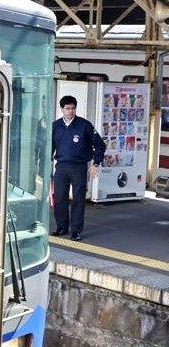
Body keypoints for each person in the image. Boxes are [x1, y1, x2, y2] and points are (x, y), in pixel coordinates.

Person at [51, 95, 106, 241]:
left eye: (73, 108)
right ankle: (62, 227)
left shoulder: (84, 125)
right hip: (61, 167)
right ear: (62, 109)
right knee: (59, 197)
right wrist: (42, 166)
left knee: (78, 199)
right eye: (68, 108)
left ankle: (76, 230)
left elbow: (100, 144)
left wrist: (96, 163)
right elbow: (49, 147)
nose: (71, 111)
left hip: (79, 167)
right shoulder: (56, 126)